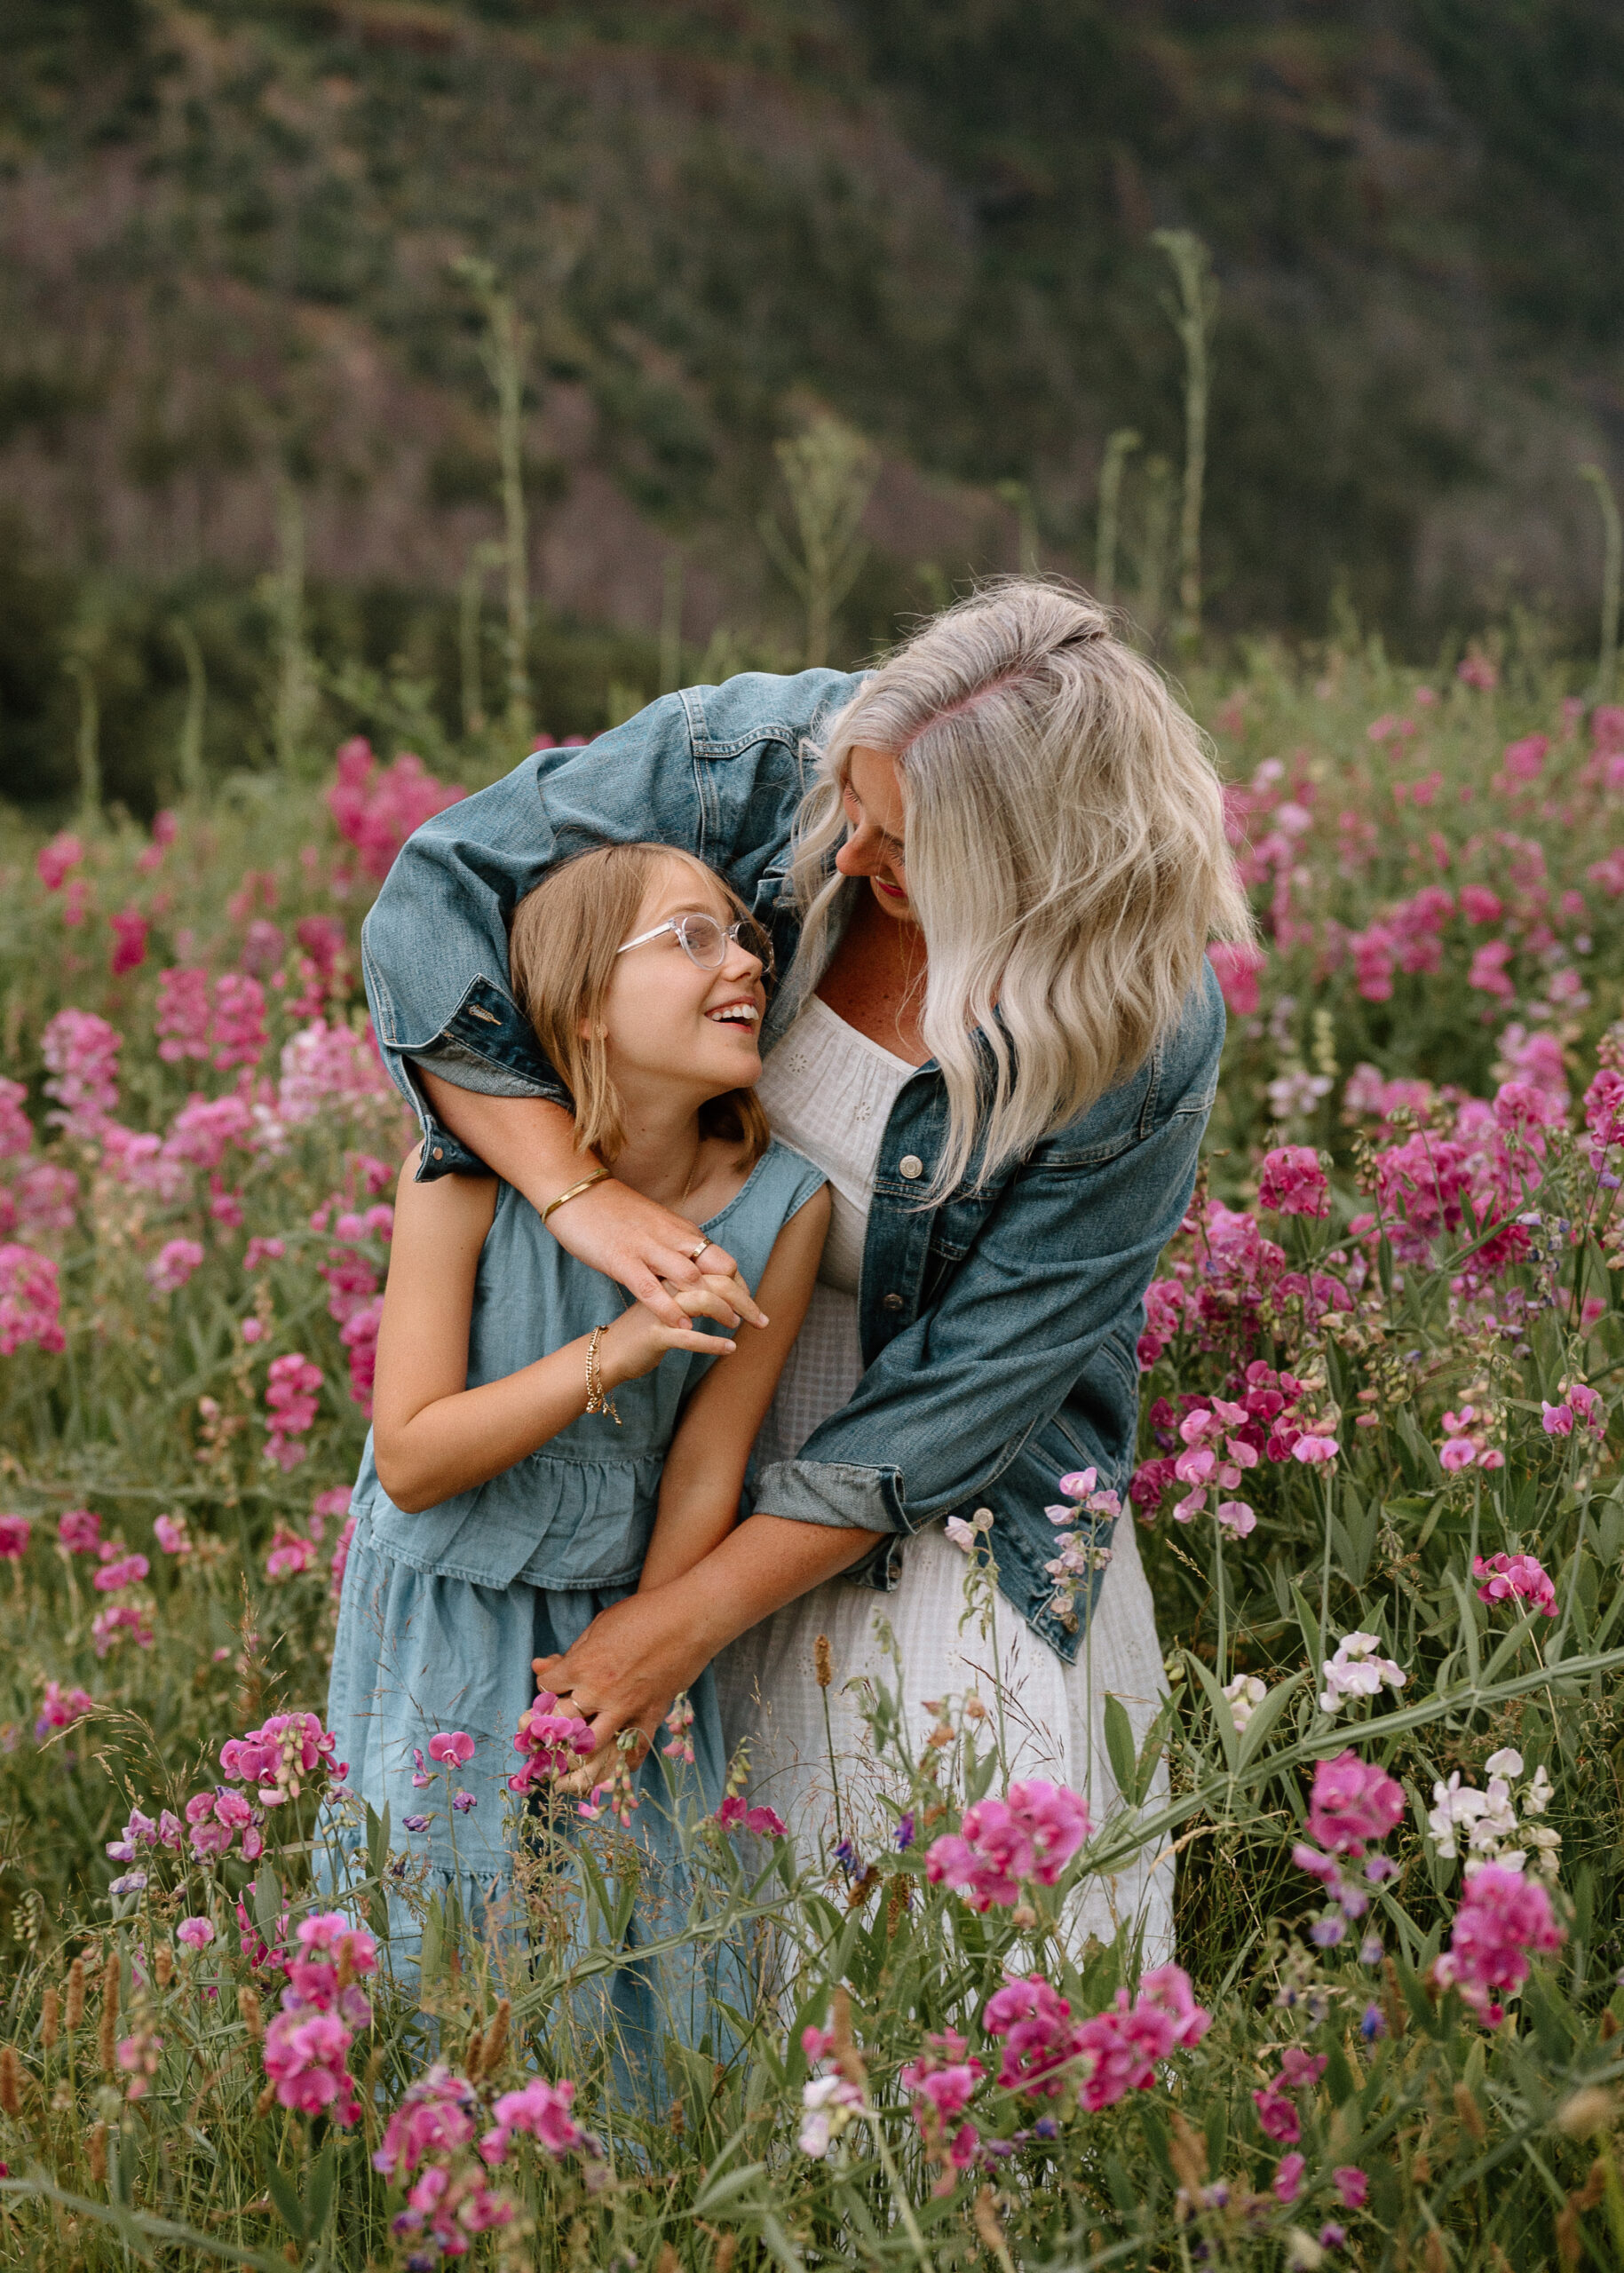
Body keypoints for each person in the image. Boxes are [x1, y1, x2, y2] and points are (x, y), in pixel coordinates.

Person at [360, 578, 1251, 1959]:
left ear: (1038, 867)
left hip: (938, 1474)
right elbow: (433, 902)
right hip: (661, 1410)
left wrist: (679, 1625)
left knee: (952, 1926)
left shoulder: (1138, 1024)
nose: (844, 868)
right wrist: (575, 1193)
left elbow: (963, 1400)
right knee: (627, 1938)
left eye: (902, 848)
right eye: (855, 816)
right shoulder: (762, 762)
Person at [326, 843, 829, 2057]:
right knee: (435, 1951)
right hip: (448, 1608)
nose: (745, 964)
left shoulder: (783, 1203)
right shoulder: (460, 1174)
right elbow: (412, 1457)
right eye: (692, 939)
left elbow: (710, 1464)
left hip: (625, 1618)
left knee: (639, 1954)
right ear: (584, 1003)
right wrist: (619, 1348)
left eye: (747, 939)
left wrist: (645, 1665)